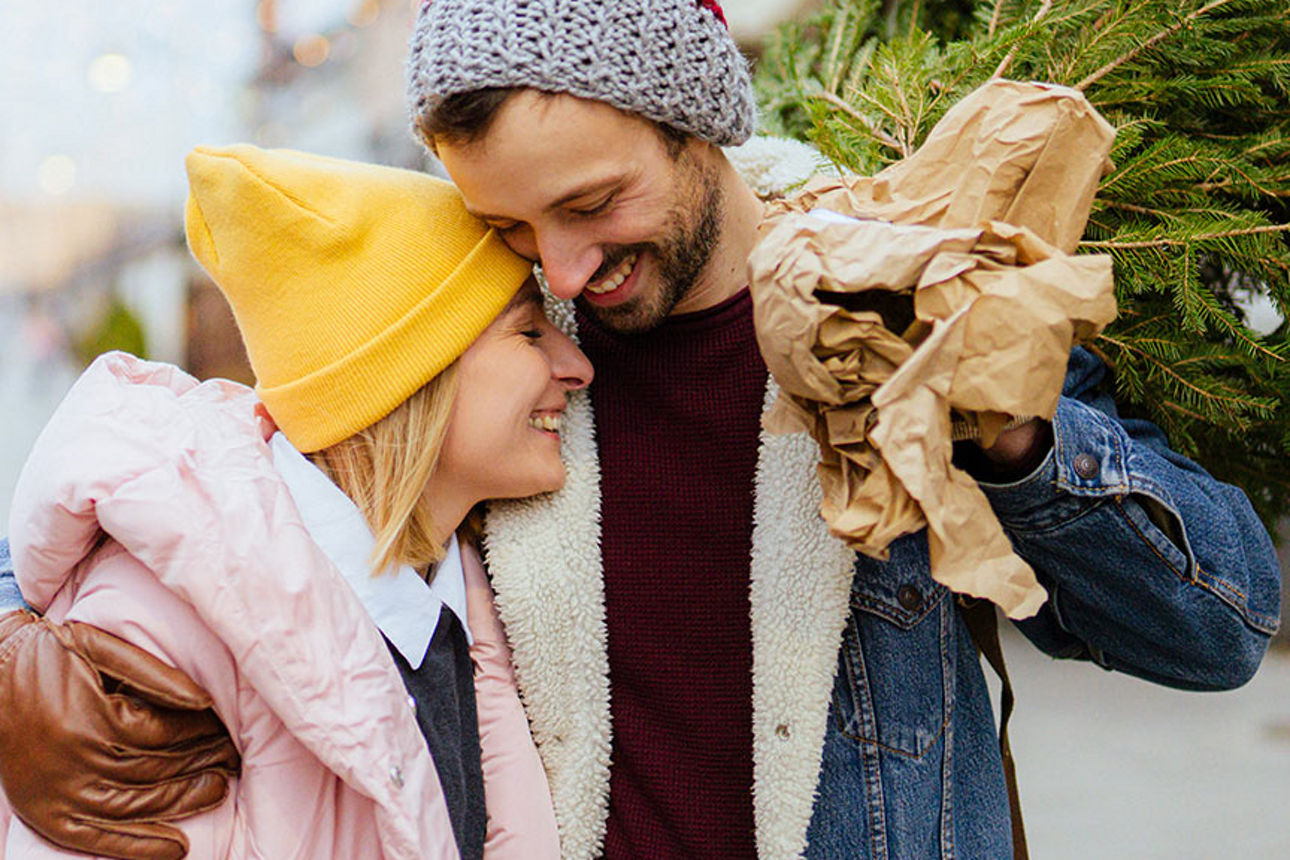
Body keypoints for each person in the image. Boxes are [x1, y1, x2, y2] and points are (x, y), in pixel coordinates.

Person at [0, 2, 1281, 858]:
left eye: (594, 201)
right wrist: (31, 661)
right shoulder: (495, 371)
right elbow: (231, 482)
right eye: (511, 232)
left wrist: (1007, 436)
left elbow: (1219, 632)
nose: (564, 266)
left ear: (698, 124)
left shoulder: (910, 300)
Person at [0, 144, 584, 858]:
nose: (576, 366)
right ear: (410, 379)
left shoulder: (464, 591)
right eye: (529, 331)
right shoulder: (158, 631)